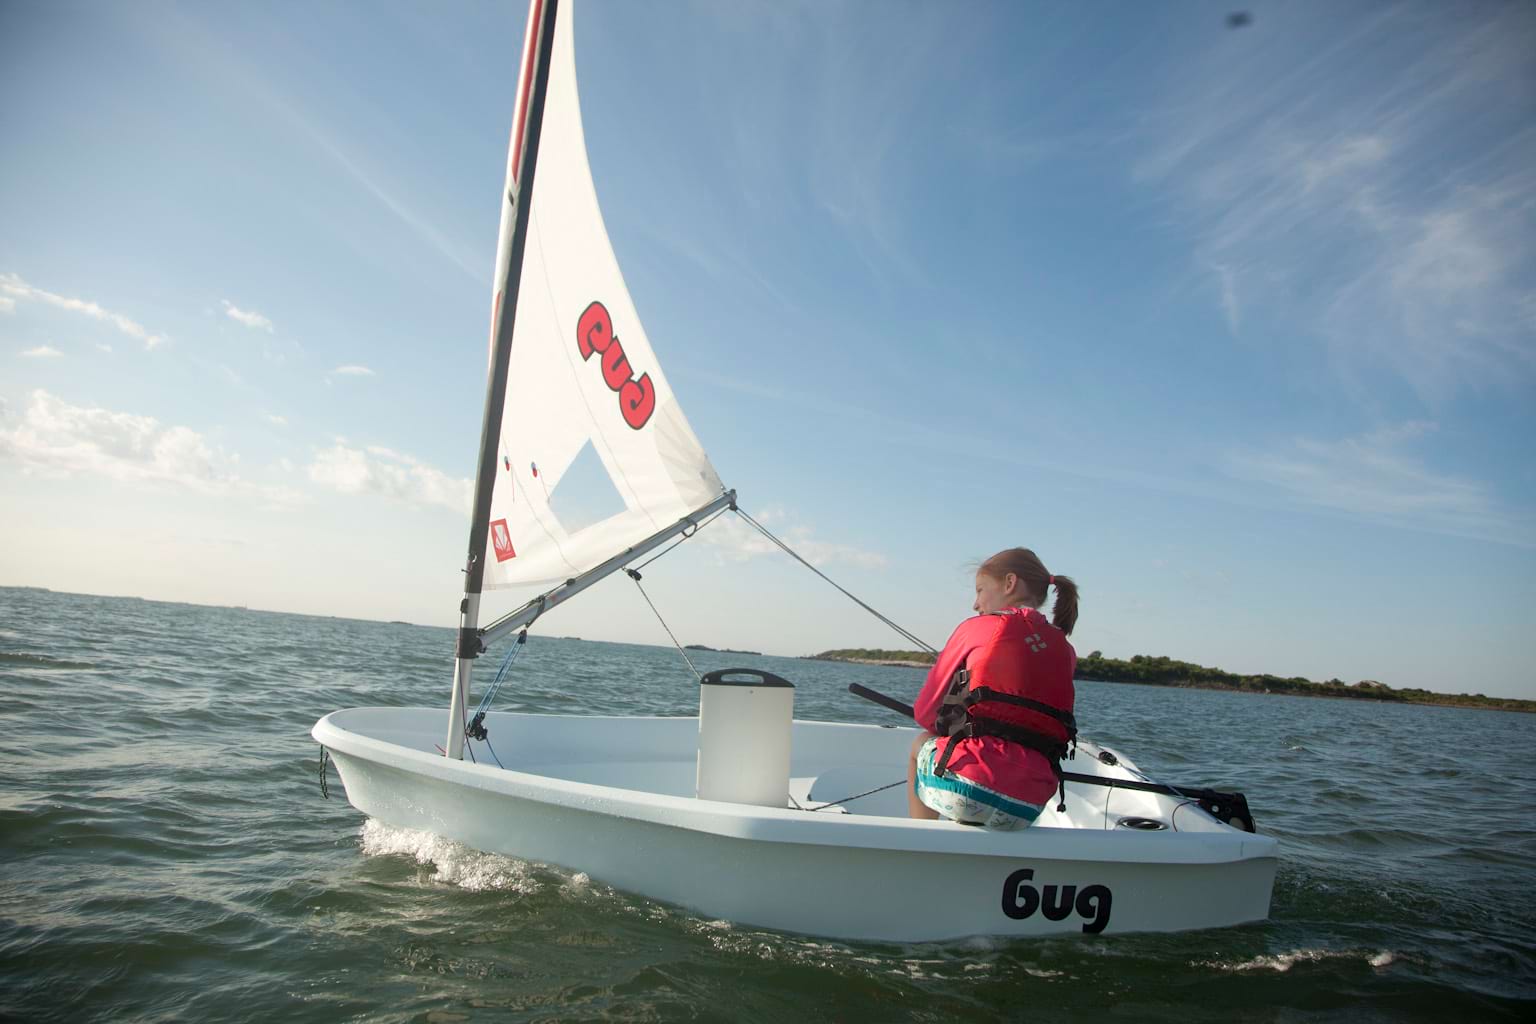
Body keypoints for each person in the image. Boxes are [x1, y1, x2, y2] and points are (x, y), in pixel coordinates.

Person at [907, 548, 1078, 829]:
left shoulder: (974, 628)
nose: (976, 604)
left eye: (980, 590)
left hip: (967, 791)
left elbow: (925, 714)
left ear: (1009, 583)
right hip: (1029, 805)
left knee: (922, 742)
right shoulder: (1066, 649)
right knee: (985, 777)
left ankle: (920, 838)